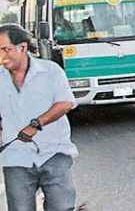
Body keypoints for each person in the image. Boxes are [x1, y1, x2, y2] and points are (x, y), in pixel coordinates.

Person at [0, 24, 78, 211]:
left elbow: (65, 103)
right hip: (16, 158)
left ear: (23, 47)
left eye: (6, 49)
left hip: (54, 153)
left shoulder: (50, 71)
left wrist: (36, 124)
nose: (2, 56)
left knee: (62, 208)